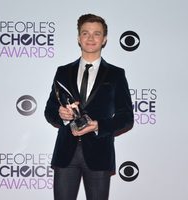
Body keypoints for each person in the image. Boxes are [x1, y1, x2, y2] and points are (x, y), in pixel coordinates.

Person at [44, 13, 134, 200]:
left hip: (99, 153)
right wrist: (61, 114)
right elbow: (49, 110)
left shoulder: (116, 74)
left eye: (96, 33)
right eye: (85, 33)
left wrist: (99, 125)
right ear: (78, 38)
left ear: (104, 39)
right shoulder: (63, 71)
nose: (90, 38)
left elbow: (126, 117)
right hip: (65, 154)